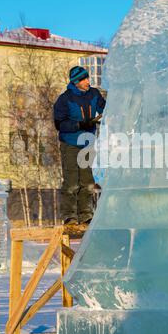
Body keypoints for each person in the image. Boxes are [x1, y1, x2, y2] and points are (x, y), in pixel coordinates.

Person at [53, 66, 106, 229]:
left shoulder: (94, 94)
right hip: (70, 144)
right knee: (71, 182)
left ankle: (86, 215)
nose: (87, 81)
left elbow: (106, 108)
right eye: (83, 79)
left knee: (88, 181)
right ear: (75, 82)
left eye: (87, 78)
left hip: (88, 143)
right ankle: (69, 216)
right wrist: (80, 124)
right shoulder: (65, 99)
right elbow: (59, 124)